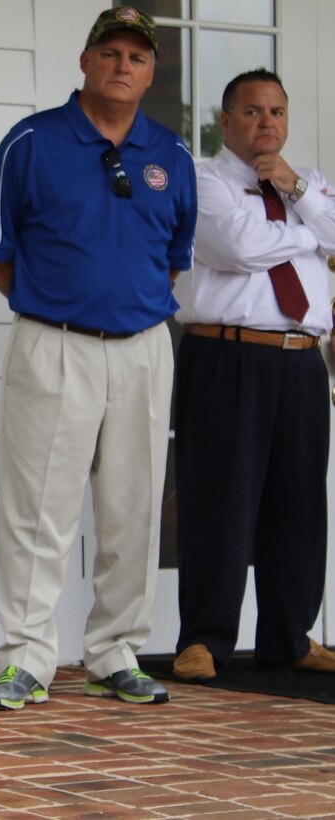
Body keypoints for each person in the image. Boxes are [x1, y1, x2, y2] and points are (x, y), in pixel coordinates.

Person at [0, 6, 197, 709]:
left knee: (132, 506)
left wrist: (121, 312)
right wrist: (59, 304)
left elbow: (173, 260)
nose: (122, 65)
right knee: (38, 509)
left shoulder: (173, 155)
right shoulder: (30, 142)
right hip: (52, 342)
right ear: (84, 60)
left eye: (136, 56)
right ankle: (25, 659)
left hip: (142, 350)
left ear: (150, 71)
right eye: (110, 52)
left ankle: (114, 651)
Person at [172, 68, 335, 682]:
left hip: (301, 360)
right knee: (221, 497)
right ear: (225, 121)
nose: (267, 122)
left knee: (299, 504)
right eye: (252, 112)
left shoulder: (307, 183)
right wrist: (309, 233)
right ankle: (205, 640)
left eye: (277, 112)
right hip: (227, 355)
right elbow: (233, 247)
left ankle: (289, 636)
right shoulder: (203, 181)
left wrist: (296, 195)